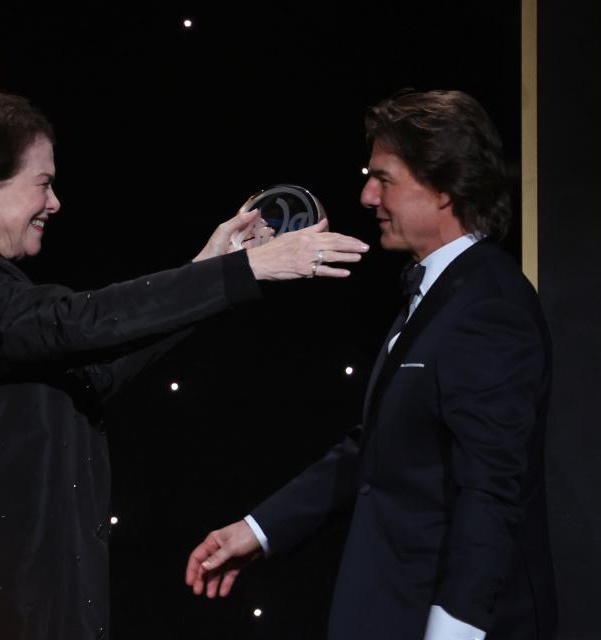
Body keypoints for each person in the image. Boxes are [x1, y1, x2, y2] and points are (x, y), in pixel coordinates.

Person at [0, 92, 369, 640]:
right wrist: (245, 269)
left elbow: (91, 371)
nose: (56, 202)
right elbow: (73, 322)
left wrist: (213, 268)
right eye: (43, 183)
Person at [185, 90, 557, 640]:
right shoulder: (439, 293)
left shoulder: (490, 306)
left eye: (384, 178)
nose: (366, 195)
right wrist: (258, 529)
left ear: (446, 186)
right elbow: (379, 449)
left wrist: (455, 631)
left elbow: (492, 491)